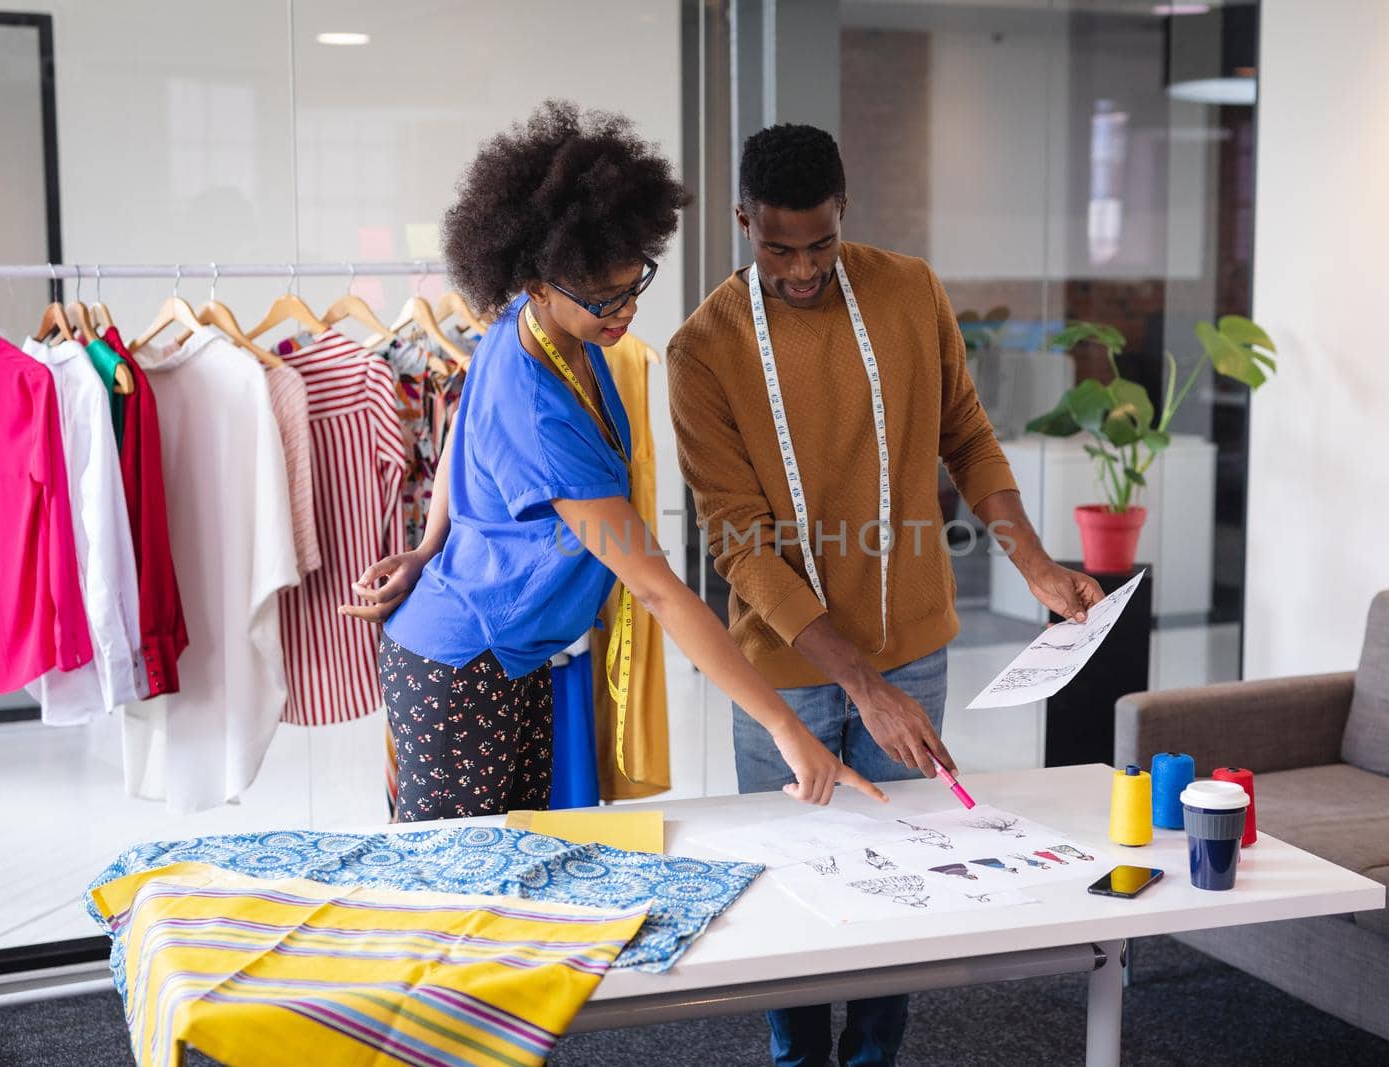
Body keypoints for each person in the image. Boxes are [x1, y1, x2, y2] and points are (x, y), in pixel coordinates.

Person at [666, 123, 1104, 1067]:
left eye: (820, 242)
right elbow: (738, 543)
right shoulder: (703, 347)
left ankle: (875, 1059)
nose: (802, 267)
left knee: (905, 885)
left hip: (913, 648)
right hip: (785, 672)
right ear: (744, 222)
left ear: (844, 211)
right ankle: (796, 1060)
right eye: (778, 247)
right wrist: (863, 684)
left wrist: (1032, 563)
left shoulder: (909, 289)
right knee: (789, 886)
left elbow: (969, 434)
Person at [341, 101, 886, 821]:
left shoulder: (536, 332)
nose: (625, 310)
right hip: (462, 670)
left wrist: (429, 544)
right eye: (603, 299)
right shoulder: (542, 415)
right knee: (458, 903)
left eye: (636, 283)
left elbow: (460, 434)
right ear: (534, 280)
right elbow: (659, 592)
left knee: (523, 873)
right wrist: (788, 728)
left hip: (511, 656)